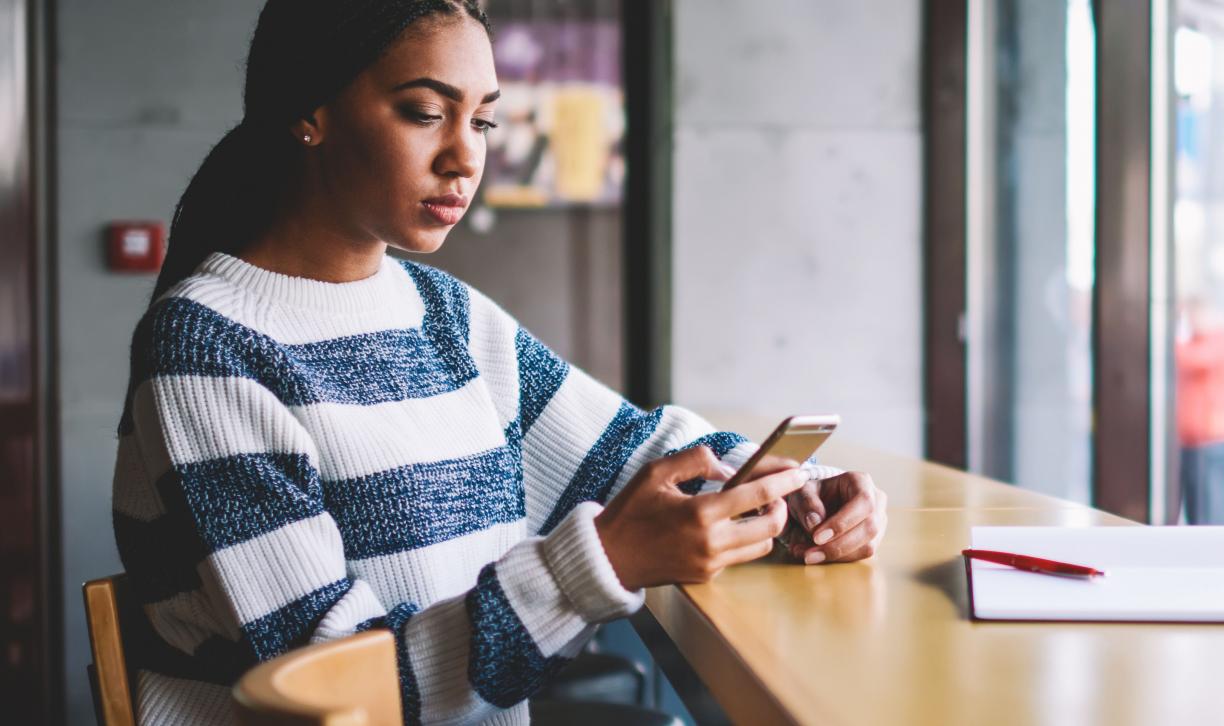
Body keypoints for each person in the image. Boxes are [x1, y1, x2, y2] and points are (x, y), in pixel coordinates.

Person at [111, 1, 889, 723]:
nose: (464, 158)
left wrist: (797, 493)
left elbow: (632, 453)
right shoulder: (206, 347)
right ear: (309, 111)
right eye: (425, 112)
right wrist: (601, 562)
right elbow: (329, 689)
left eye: (483, 121)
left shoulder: (441, 312)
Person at [1175, 295, 1224, 530]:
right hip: (1192, 441)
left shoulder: (1219, 340)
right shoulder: (1195, 341)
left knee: (1212, 510)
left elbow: (1191, 359)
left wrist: (1175, 329)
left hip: (1210, 441)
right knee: (1196, 510)